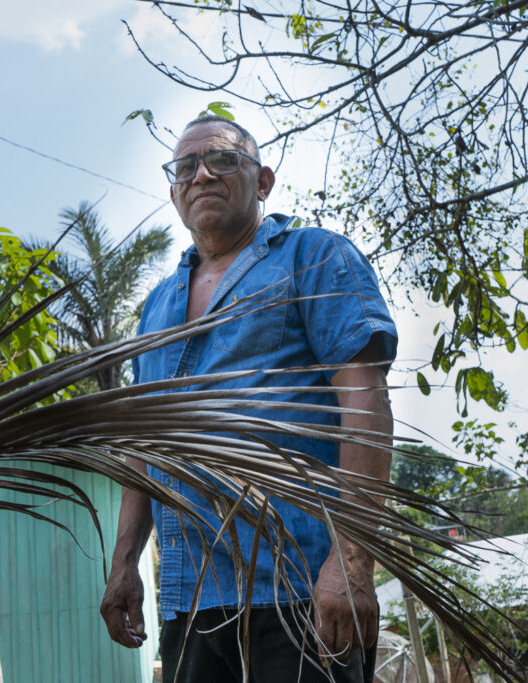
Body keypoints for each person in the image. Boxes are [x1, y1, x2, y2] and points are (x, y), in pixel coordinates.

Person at [99, 114, 397, 683]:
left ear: (262, 181)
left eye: (223, 161)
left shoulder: (312, 257)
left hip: (301, 589)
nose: (203, 174)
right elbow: (146, 444)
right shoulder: (157, 305)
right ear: (174, 192)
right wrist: (125, 564)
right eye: (186, 167)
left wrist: (353, 563)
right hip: (192, 601)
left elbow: (365, 402)